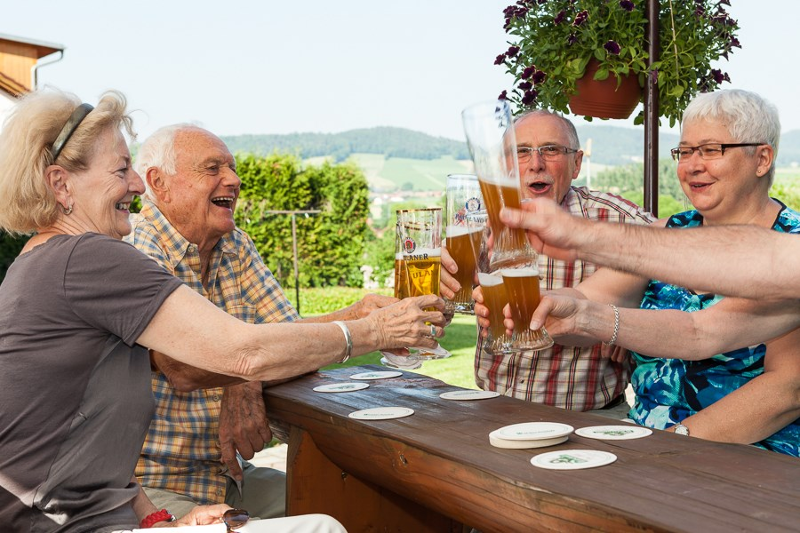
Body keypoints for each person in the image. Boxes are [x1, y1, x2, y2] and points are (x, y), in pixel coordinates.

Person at [0, 87, 444, 531]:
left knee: (345, 503)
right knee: (322, 527)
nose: (135, 184)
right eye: (121, 170)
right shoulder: (91, 257)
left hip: (118, 512)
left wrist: (160, 523)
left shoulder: (37, 261)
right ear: (61, 185)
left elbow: (89, 447)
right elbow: (241, 352)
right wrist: (374, 331)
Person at [501, 90, 800, 456]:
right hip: (644, 440)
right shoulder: (668, 232)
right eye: (685, 151)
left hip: (749, 458)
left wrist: (670, 446)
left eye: (709, 150)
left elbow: (788, 388)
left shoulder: (790, 245)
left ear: (762, 159)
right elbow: (596, 302)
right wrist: (542, 306)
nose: (691, 165)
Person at [125, 124, 400, 518]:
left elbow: (286, 336)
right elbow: (181, 366)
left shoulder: (234, 243)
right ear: (159, 183)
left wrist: (356, 312)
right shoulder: (136, 247)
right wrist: (245, 369)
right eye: (213, 167)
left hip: (228, 476)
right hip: (149, 487)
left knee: (356, 508)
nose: (234, 180)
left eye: (233, 168)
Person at [442, 110, 653, 417]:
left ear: (577, 163)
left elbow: (681, 265)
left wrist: (632, 324)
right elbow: (444, 305)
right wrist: (442, 291)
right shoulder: (477, 220)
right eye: (521, 151)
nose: (535, 163)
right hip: (493, 409)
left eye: (551, 150)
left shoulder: (618, 219)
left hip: (591, 417)